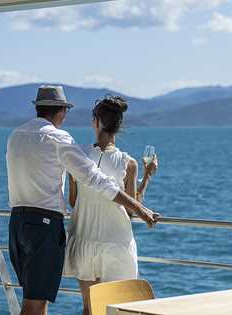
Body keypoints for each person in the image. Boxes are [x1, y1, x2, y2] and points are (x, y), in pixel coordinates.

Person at [6, 85, 159, 315]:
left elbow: (75, 198)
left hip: (19, 225)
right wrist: (140, 204)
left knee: (37, 300)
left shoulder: (16, 135)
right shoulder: (59, 139)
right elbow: (96, 179)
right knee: (36, 304)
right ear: (61, 111)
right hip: (49, 228)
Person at [64, 95, 157, 315]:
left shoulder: (78, 156)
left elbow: (73, 201)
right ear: (119, 125)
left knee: (89, 309)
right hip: (116, 244)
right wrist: (147, 177)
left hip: (84, 241)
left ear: (96, 122)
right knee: (116, 311)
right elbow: (132, 208)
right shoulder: (128, 163)